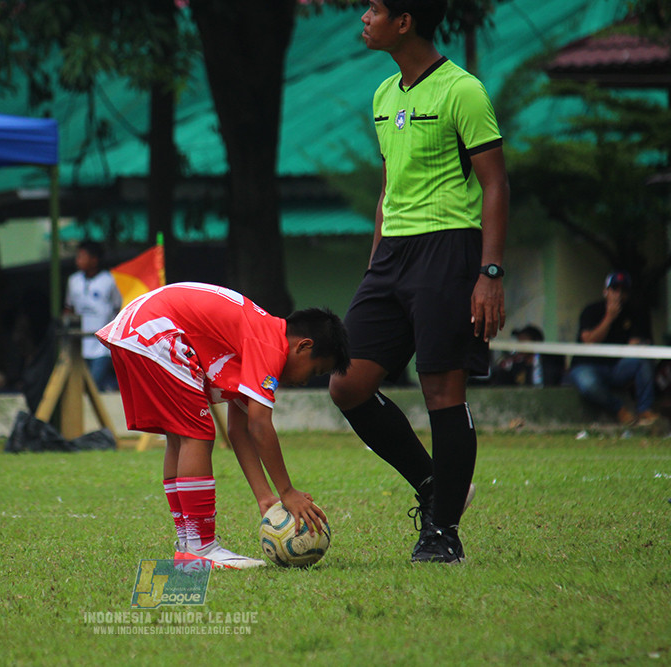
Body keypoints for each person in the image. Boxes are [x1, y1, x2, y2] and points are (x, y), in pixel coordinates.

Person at [328, 0, 510, 564]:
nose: (363, 17)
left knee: (441, 392)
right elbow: (389, 188)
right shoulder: (384, 95)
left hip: (449, 250)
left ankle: (443, 533)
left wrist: (489, 273)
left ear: (404, 22)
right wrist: (373, 263)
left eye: (374, 9)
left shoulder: (463, 90)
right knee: (346, 383)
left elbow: (496, 185)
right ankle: (435, 485)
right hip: (391, 259)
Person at [97, 282, 350, 569]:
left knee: (180, 438)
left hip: (136, 328)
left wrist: (265, 497)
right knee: (196, 434)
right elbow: (259, 426)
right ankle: (200, 548)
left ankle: (188, 545)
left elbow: (238, 431)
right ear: (303, 346)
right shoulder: (270, 345)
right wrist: (287, 491)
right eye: (314, 371)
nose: (305, 380)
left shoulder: (257, 336)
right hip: (155, 330)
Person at [568, 271, 658, 427]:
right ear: (606, 291)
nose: (619, 294)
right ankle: (620, 410)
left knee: (643, 361)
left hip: (617, 367)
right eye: (615, 289)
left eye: (623, 291)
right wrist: (609, 317)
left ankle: (645, 409)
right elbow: (589, 340)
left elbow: (638, 344)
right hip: (587, 365)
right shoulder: (591, 310)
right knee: (588, 384)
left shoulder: (634, 313)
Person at [65, 241, 122, 391]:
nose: (78, 260)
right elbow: (69, 308)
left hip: (101, 345)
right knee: (81, 387)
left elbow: (118, 308)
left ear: (94, 259)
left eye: (82, 256)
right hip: (79, 344)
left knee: (92, 386)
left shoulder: (109, 280)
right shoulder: (73, 281)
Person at [492, 324, 564, 387]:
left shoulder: (550, 364)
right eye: (519, 341)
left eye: (523, 340)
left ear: (536, 342)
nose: (520, 345)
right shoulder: (516, 366)